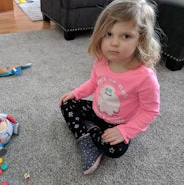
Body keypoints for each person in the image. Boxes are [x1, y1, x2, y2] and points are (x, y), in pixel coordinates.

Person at [59, 0, 161, 175]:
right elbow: (93, 83)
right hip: (96, 110)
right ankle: (89, 139)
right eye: (108, 34)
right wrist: (76, 93)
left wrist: (125, 131)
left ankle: (88, 133)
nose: (114, 43)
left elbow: (150, 111)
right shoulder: (101, 60)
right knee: (66, 104)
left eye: (125, 36)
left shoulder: (145, 77)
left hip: (121, 123)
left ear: (140, 39)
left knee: (116, 150)